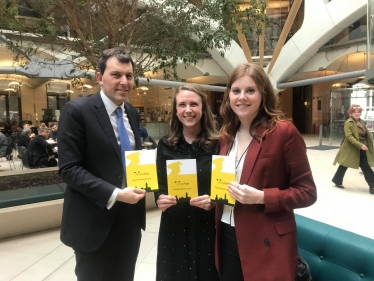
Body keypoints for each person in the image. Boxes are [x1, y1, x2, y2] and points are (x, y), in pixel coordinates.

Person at [215, 63, 317, 281]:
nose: (242, 97)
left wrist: (262, 197)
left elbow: (307, 192)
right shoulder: (226, 135)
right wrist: (212, 199)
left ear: (263, 94)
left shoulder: (283, 132)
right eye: (236, 91)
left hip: (265, 238)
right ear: (228, 96)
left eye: (250, 90)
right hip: (226, 235)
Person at [59, 48, 146, 281]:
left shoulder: (132, 113)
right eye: (116, 75)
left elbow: (130, 161)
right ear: (99, 78)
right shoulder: (77, 111)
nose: (124, 82)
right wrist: (116, 194)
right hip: (93, 220)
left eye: (129, 76)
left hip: (129, 220)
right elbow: (69, 169)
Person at [155, 84, 220, 281]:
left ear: (203, 108)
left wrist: (215, 201)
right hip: (174, 226)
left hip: (207, 227)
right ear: (176, 110)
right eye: (182, 104)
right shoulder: (165, 144)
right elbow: (160, 184)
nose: (188, 110)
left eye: (194, 104)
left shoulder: (219, 144)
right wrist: (160, 198)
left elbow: (224, 184)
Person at [332, 104, 374, 194]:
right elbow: (349, 136)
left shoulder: (362, 122)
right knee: (344, 164)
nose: (356, 114)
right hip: (351, 147)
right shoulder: (348, 123)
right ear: (351, 113)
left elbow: (366, 134)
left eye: (358, 112)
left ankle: (372, 185)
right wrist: (360, 145)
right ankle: (337, 180)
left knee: (365, 166)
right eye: (354, 112)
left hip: (362, 146)